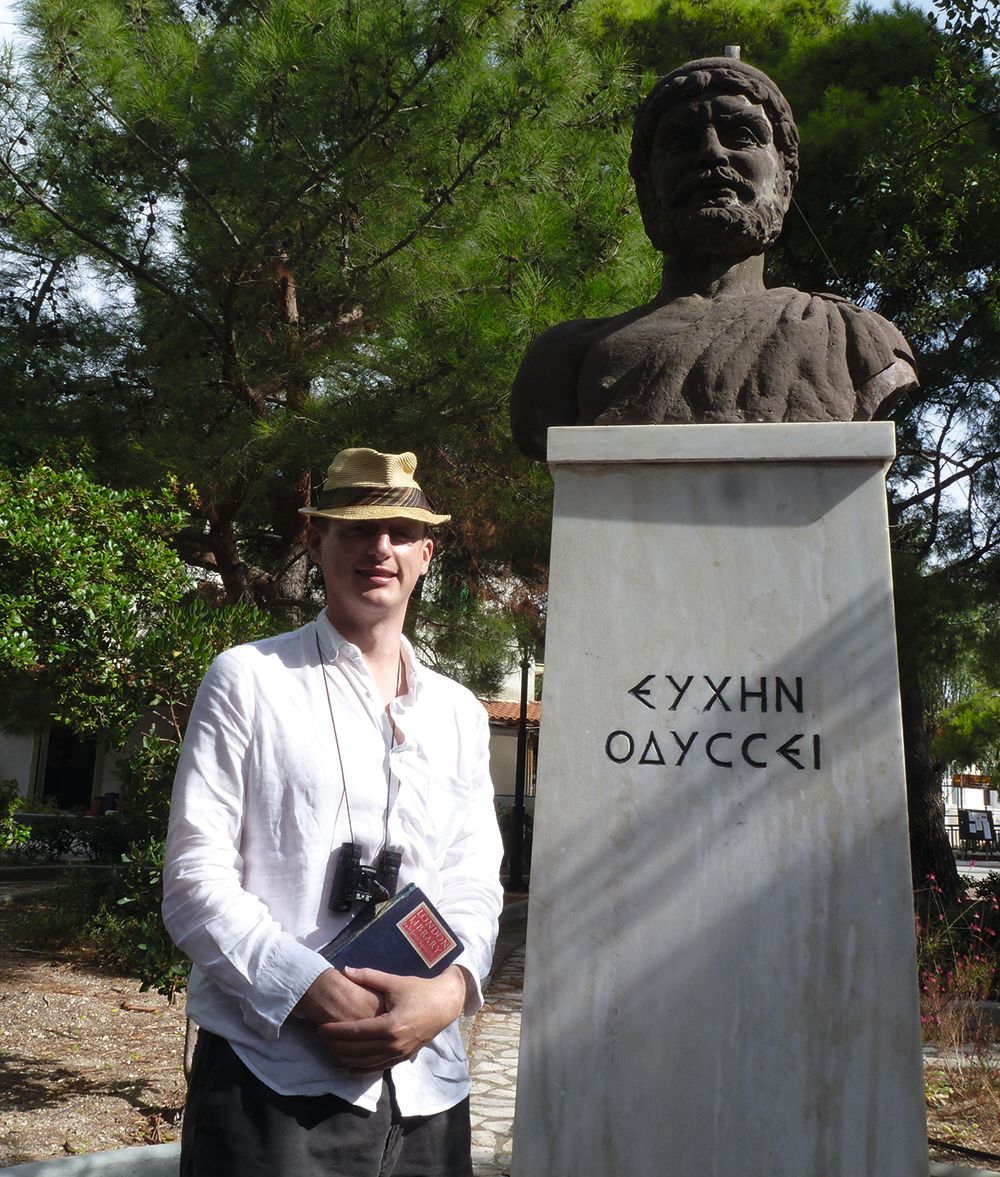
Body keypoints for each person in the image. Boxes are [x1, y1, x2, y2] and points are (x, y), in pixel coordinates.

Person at [162, 447, 504, 1177]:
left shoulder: (459, 714)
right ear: (316, 543)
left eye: (398, 532)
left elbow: (475, 881)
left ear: (425, 555)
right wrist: (309, 986)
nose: (378, 547)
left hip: (427, 1093)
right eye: (355, 528)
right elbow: (193, 882)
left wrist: (446, 995)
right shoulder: (249, 680)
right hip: (273, 1081)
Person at [509, 56, 918, 460]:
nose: (711, 154)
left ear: (785, 179)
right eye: (680, 143)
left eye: (741, 135)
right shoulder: (565, 357)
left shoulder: (856, 339)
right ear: (645, 185)